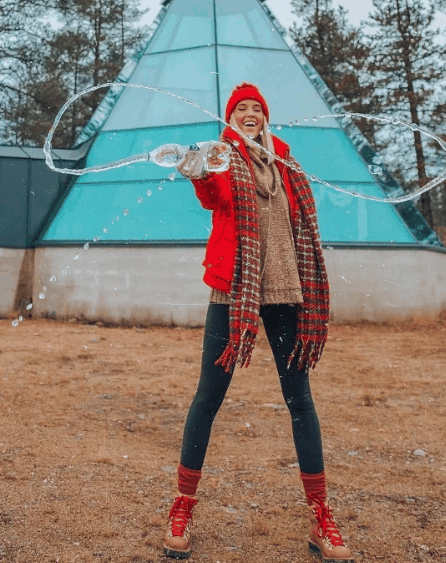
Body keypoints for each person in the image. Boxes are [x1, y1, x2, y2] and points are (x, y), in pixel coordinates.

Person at [162, 82, 354, 563]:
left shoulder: (287, 162)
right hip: (235, 292)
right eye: (241, 109)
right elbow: (211, 197)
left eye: (256, 109)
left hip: (288, 291)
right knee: (208, 397)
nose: (250, 114)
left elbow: (301, 221)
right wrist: (196, 172)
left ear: (265, 118)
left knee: (300, 401)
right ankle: (182, 507)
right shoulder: (222, 156)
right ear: (231, 117)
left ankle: (321, 516)